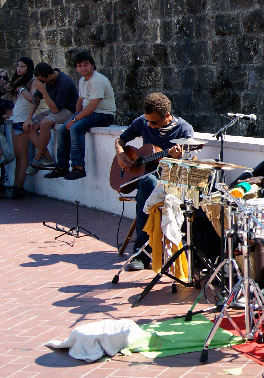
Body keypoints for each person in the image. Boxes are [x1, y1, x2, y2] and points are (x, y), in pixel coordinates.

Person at [112, 92, 194, 271]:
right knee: (148, 183)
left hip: (172, 179)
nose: (149, 125)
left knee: (149, 184)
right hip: (147, 179)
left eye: (154, 122)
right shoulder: (143, 122)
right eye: (147, 121)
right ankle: (141, 253)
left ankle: (147, 251)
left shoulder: (184, 130)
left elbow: (187, 165)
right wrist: (120, 152)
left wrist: (177, 158)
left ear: (167, 116)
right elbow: (121, 139)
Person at [44, 50, 115, 181]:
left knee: (75, 128)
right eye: (79, 65)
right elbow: (80, 100)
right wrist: (74, 117)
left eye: (86, 65)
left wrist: (75, 119)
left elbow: (92, 106)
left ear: (92, 65)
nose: (83, 68)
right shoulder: (83, 80)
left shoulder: (98, 80)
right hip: (90, 113)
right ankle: (61, 167)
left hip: (104, 115)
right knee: (61, 130)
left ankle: (78, 168)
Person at [26, 63, 79, 173]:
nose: (40, 83)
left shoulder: (64, 82)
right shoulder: (45, 80)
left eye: (42, 80)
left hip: (68, 110)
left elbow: (56, 110)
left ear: (48, 76)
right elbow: (36, 99)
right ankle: (48, 159)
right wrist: (29, 118)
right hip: (55, 109)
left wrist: (44, 91)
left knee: (45, 123)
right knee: (31, 127)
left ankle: (37, 158)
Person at [3, 57, 36, 199]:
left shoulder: (32, 82)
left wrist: (20, 88)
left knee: (23, 156)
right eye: (18, 66)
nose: (19, 69)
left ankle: (19, 186)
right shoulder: (19, 82)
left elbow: (33, 99)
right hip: (16, 120)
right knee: (17, 155)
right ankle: (15, 184)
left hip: (24, 121)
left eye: (22, 66)